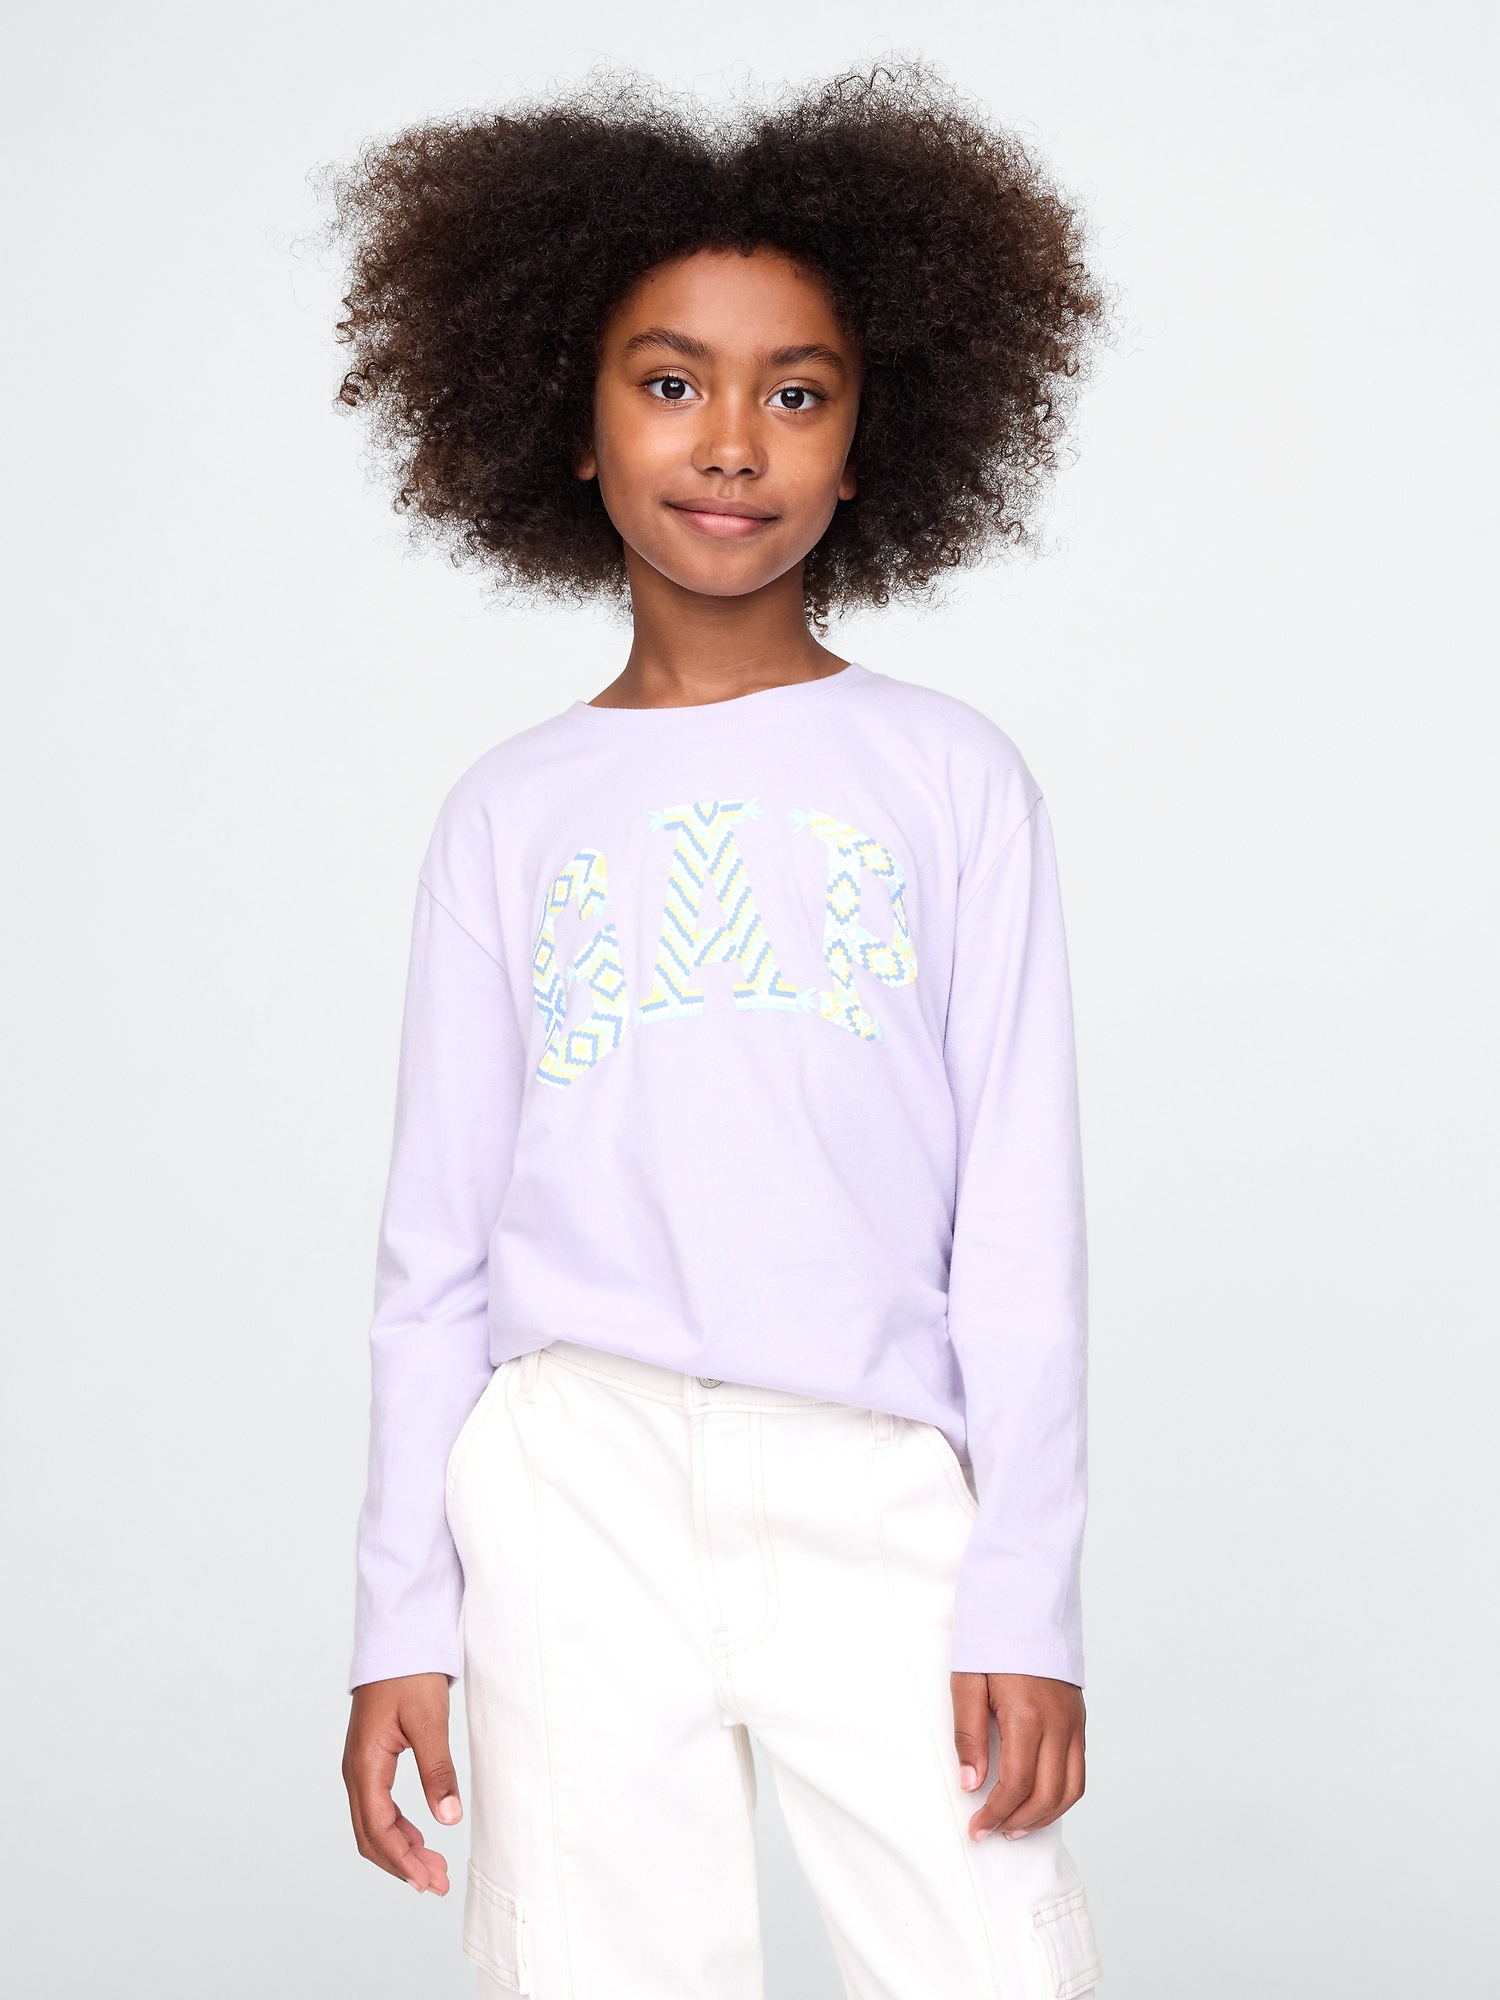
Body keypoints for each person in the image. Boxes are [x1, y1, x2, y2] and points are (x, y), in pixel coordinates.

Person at [332, 62, 1106, 2000]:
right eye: (671, 380)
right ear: (571, 419)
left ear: (867, 441)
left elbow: (1019, 1227)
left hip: (879, 1481)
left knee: (992, 1963)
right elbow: (433, 1257)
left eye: (799, 392)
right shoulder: (506, 812)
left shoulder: (951, 777)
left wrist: (1026, 1591)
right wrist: (398, 1617)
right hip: (572, 1484)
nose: (733, 441)